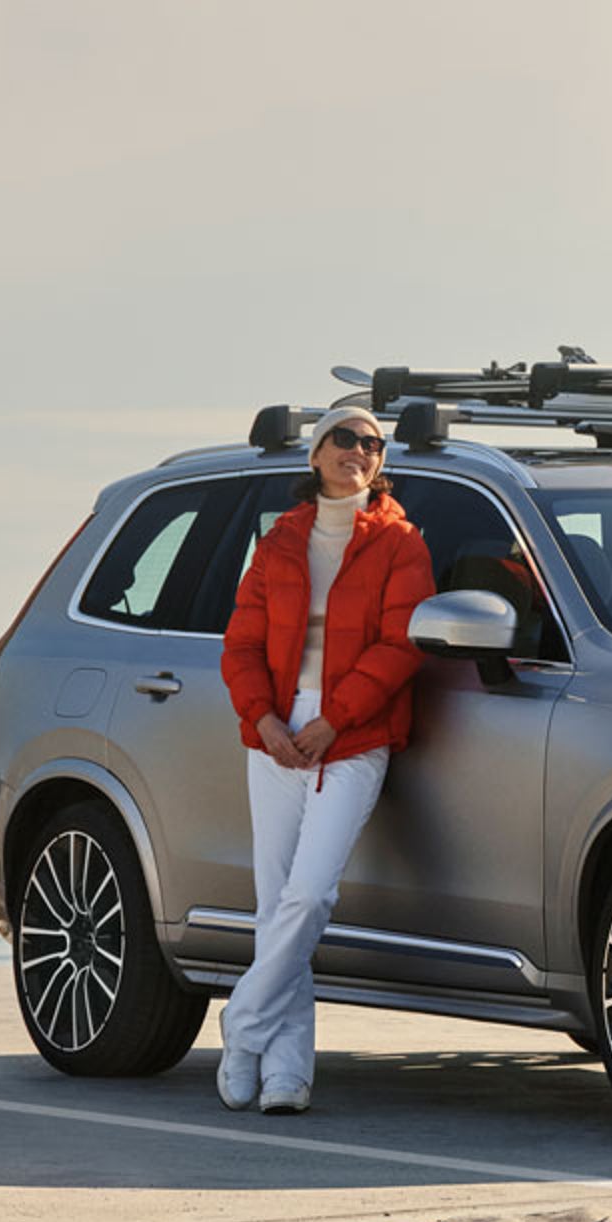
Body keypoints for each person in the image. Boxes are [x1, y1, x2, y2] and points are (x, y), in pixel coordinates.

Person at [215, 405, 437, 1116]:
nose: (359, 450)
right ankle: (285, 1072)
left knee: (310, 897)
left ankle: (241, 1025)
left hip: (356, 734)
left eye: (372, 444)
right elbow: (241, 645)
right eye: (344, 438)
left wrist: (335, 718)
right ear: (315, 456)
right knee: (275, 907)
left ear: (380, 463)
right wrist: (263, 718)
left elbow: (401, 645)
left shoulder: (402, 544)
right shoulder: (278, 543)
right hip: (276, 732)